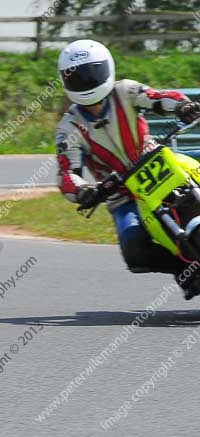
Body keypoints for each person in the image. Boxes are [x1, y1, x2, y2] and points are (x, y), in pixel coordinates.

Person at [55, 39, 200, 299]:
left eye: (92, 73)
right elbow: (67, 173)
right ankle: (184, 268)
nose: (87, 82)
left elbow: (158, 98)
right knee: (134, 250)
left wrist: (182, 105)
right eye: (78, 78)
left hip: (160, 162)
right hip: (120, 192)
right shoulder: (69, 128)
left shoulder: (126, 91)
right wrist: (84, 190)